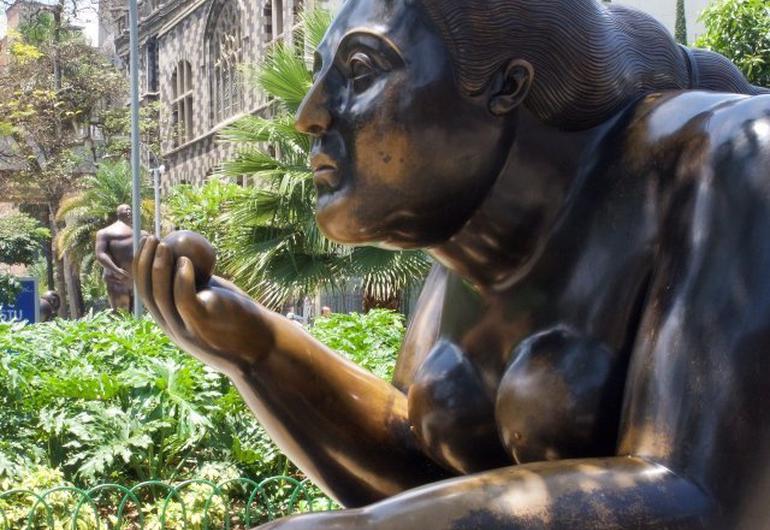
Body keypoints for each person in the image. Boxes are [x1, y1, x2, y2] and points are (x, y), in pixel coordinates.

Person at [135, 0, 770, 528]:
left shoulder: (733, 157)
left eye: (360, 70)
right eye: (319, 73)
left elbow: (699, 496)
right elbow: (425, 475)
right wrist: (262, 349)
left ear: (505, 86)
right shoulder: (457, 242)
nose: (309, 115)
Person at [95, 204, 147, 312]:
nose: (129, 212)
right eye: (126, 209)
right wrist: (116, 270)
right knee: (121, 313)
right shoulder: (105, 232)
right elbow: (100, 254)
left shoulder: (141, 233)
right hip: (117, 280)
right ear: (118, 213)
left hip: (137, 281)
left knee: (138, 314)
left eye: (130, 209)